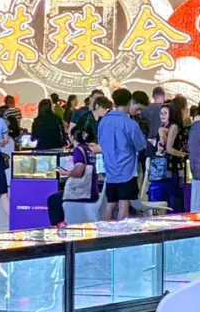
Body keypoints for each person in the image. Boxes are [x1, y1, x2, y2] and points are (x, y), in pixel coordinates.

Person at [97, 87, 146, 219]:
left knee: (110, 204)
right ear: (129, 102)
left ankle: (106, 230)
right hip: (127, 171)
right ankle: (122, 232)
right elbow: (140, 145)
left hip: (110, 170)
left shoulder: (103, 122)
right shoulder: (130, 123)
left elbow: (100, 142)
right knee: (124, 203)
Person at [47, 126, 99, 225]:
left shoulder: (78, 150)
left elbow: (78, 172)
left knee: (53, 199)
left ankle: (60, 226)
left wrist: (66, 173)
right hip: (92, 191)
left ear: (72, 137)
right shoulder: (89, 149)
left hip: (82, 193)